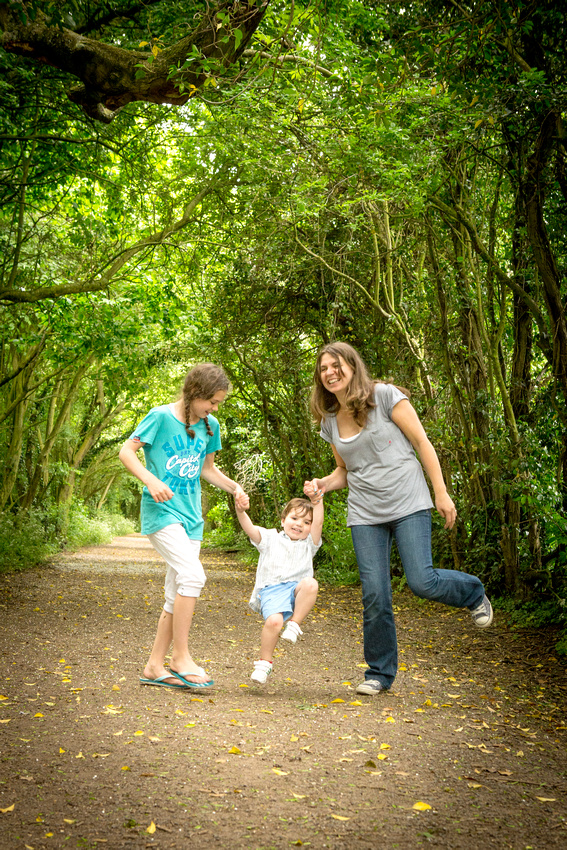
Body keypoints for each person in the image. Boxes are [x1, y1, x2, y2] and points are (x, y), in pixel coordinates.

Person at [304, 341, 492, 696]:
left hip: (408, 501)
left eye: (335, 365)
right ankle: (379, 672)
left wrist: (441, 492)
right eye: (323, 369)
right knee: (375, 593)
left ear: (351, 364)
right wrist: (322, 485)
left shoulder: (386, 396)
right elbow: (345, 469)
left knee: (422, 581)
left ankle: (472, 592)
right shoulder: (330, 421)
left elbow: (422, 443)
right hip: (365, 511)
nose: (329, 372)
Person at [119, 363, 249, 690]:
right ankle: (181, 657)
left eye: (219, 403)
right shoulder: (160, 417)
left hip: (192, 518)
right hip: (161, 513)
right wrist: (150, 480)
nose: (216, 408)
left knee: (174, 592)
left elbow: (208, 470)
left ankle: (153, 665)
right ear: (194, 394)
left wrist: (235, 488)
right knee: (193, 576)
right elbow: (126, 452)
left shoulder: (210, 425)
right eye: (212, 402)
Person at [235, 494, 323, 684]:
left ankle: (294, 624)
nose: (299, 524)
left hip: (297, 591)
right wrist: (240, 511)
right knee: (274, 623)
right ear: (283, 521)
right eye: (294, 518)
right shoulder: (269, 538)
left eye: (306, 522)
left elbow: (319, 524)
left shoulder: (310, 544)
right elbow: (250, 529)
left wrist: (318, 499)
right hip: (272, 590)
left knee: (311, 583)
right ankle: (264, 663)